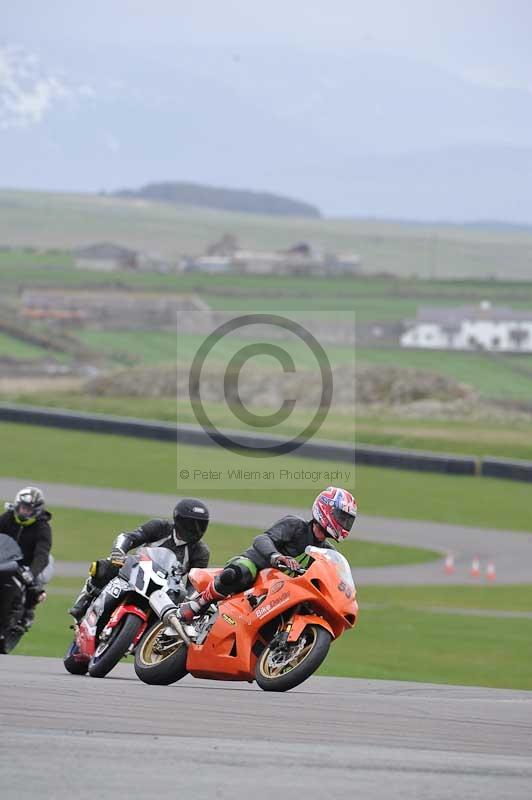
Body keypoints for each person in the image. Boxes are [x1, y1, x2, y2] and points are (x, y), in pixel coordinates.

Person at [176, 486, 357, 622]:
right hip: (258, 567)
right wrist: (276, 557)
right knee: (239, 572)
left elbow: (332, 579)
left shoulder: (327, 552)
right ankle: (198, 603)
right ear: (325, 509)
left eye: (347, 520)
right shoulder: (295, 525)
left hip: (282, 588)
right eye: (341, 517)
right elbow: (262, 539)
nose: (344, 523)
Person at [68, 498, 211, 621]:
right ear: (178, 519)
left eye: (200, 525)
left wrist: (189, 600)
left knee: (180, 611)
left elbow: (195, 583)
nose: (195, 530)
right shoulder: (160, 527)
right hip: (137, 571)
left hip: (166, 588)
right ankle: (85, 600)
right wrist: (119, 552)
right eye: (190, 524)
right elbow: (129, 537)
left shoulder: (201, 552)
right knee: (104, 567)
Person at [0, 486, 54, 633]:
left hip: (28, 564)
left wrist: (32, 572)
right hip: (5, 560)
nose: (25, 511)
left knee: (34, 585)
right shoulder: (7, 518)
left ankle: (28, 613)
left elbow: (42, 554)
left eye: (29, 509)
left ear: (36, 510)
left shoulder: (43, 528)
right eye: (23, 507)